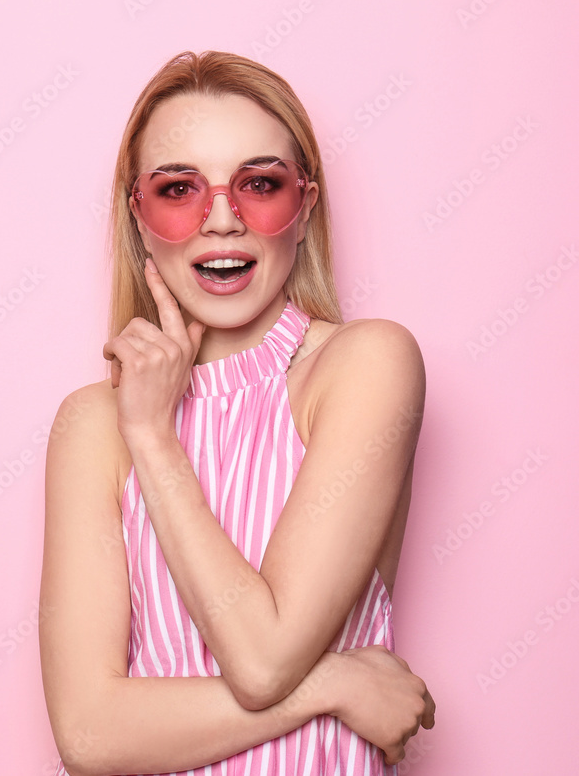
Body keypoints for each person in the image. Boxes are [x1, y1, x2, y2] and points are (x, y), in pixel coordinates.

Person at [39, 51, 435, 776]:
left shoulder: (366, 366)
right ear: (139, 213)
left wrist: (155, 441)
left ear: (305, 202)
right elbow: (89, 735)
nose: (222, 219)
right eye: (179, 188)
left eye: (259, 183)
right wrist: (337, 683)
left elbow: (263, 656)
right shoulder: (93, 426)